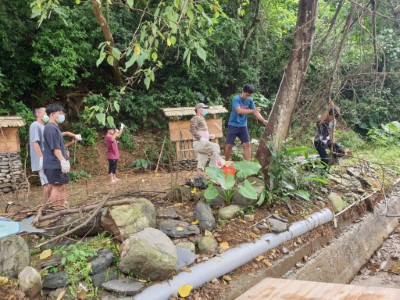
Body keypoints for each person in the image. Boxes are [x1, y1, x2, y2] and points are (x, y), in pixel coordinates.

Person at [225, 84, 268, 161]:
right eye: (247, 95)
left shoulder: (250, 100)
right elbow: (239, 111)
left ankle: (249, 165)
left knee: (247, 144)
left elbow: (255, 112)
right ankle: (226, 163)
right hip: (233, 125)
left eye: (250, 95)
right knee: (229, 145)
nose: (248, 97)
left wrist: (263, 120)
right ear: (243, 92)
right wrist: (252, 110)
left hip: (243, 126)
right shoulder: (236, 99)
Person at [42, 104, 71, 208]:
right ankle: (56, 210)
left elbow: (59, 146)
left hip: (58, 163)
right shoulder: (50, 128)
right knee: (56, 187)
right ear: (52, 114)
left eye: (62, 113)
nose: (62, 115)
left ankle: (62, 207)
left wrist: (65, 154)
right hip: (53, 164)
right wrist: (62, 160)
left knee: (62, 186)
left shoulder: (55, 128)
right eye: (60, 113)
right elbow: (55, 148)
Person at [189, 103, 221, 174]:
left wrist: (209, 136)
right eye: (204, 108)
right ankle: (213, 169)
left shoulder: (201, 118)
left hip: (202, 143)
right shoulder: (196, 118)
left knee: (201, 161)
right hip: (199, 143)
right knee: (216, 147)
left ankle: (199, 178)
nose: (205, 110)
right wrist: (200, 138)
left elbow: (200, 131)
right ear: (199, 109)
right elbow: (192, 129)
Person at [29, 107, 50, 203]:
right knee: (47, 185)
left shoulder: (45, 127)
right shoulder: (35, 125)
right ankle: (44, 207)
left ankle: (50, 205)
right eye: (45, 112)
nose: (46, 114)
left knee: (51, 184)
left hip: (48, 159)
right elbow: (35, 143)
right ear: (38, 114)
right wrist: (41, 158)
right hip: (43, 160)